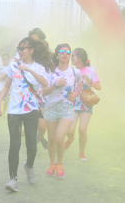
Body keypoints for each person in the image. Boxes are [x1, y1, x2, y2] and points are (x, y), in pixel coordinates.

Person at [0, 37, 49, 192]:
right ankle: (13, 179)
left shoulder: (38, 67)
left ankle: (29, 166)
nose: (20, 50)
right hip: (14, 110)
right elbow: (6, 86)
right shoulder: (13, 66)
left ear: (31, 50)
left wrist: (29, 69)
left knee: (31, 144)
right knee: (15, 144)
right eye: (19, 48)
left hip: (31, 110)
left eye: (23, 48)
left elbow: (45, 83)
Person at [42, 44, 83, 179]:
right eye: (62, 52)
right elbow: (44, 91)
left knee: (60, 138)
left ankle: (60, 164)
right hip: (51, 108)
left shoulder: (75, 71)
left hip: (67, 108)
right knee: (52, 139)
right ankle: (52, 163)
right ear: (57, 54)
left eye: (67, 52)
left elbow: (81, 83)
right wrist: (56, 84)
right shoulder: (50, 71)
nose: (65, 54)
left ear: (70, 55)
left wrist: (76, 93)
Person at [65, 48, 101, 161]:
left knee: (82, 130)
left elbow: (99, 87)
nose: (71, 58)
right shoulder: (70, 70)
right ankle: (71, 139)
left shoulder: (91, 70)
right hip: (73, 103)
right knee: (70, 130)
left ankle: (82, 152)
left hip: (86, 104)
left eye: (73, 56)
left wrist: (90, 81)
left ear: (80, 58)